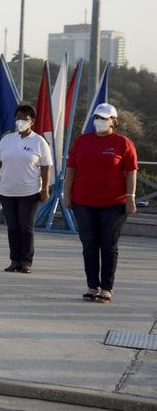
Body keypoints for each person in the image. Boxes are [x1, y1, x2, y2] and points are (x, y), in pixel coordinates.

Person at [64, 103, 138, 304]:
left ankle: (106, 288)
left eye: (105, 118)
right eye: (97, 117)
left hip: (114, 205)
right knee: (89, 244)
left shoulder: (123, 143)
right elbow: (71, 169)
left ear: (113, 121)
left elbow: (131, 171)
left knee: (108, 244)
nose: (100, 121)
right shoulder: (82, 142)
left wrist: (130, 197)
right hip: (83, 202)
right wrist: (67, 194)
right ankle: (92, 286)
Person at [0, 104, 52, 274]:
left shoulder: (39, 141)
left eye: (25, 118)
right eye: (18, 118)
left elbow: (46, 167)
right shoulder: (7, 139)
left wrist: (45, 189)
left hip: (29, 192)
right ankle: (14, 260)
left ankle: (26, 261)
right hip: (7, 191)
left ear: (32, 121)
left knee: (26, 227)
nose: (20, 121)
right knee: (12, 227)